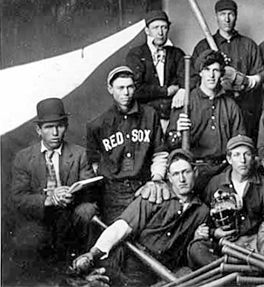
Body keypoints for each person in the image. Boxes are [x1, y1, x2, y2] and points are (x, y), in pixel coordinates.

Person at [73, 149, 209, 286]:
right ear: (169, 177)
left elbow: (194, 250)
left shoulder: (202, 211)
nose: (182, 179)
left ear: (195, 172)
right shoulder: (154, 195)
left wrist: (198, 237)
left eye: (186, 172)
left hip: (167, 271)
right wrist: (93, 253)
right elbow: (121, 227)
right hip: (134, 267)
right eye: (176, 174)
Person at [10, 98, 98, 276]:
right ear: (38, 130)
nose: (55, 133)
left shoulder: (80, 154)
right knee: (27, 241)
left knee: (88, 211)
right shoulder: (24, 157)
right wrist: (49, 199)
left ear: (66, 125)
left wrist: (71, 195)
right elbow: (18, 197)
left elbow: (90, 188)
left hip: (72, 214)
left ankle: (81, 268)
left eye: (59, 126)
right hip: (41, 217)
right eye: (49, 127)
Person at [86, 66, 168, 223]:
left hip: (145, 187)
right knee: (118, 240)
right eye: (120, 88)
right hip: (113, 194)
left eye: (130, 87)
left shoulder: (150, 115)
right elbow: (94, 164)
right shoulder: (97, 125)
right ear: (110, 89)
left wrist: (157, 179)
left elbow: (160, 154)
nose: (126, 93)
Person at [187, 135, 264, 268]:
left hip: (252, 247)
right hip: (222, 246)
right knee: (196, 248)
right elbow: (203, 220)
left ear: (253, 158)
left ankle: (231, 273)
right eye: (236, 155)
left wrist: (254, 240)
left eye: (247, 154)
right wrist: (215, 232)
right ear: (229, 159)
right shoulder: (215, 183)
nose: (242, 160)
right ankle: (229, 272)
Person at [167, 49, 245, 192]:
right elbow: (170, 143)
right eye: (207, 69)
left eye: (216, 70)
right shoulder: (186, 102)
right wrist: (178, 132)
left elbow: (239, 142)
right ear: (200, 72)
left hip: (224, 170)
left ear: (221, 73)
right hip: (196, 171)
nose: (211, 75)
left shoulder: (230, 104)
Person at [192, 0, 264, 138]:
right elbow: (194, 78)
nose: (226, 19)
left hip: (244, 108)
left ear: (236, 16)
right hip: (214, 109)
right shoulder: (203, 46)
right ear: (216, 17)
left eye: (230, 14)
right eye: (222, 14)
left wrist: (242, 80)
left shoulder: (248, 45)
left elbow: (259, 75)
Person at [126, 11, 197, 133]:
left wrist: (183, 90)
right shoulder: (136, 54)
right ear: (147, 31)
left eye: (164, 27)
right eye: (155, 28)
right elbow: (136, 89)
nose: (160, 32)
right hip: (145, 120)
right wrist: (166, 91)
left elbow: (193, 77)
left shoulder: (176, 54)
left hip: (173, 118)